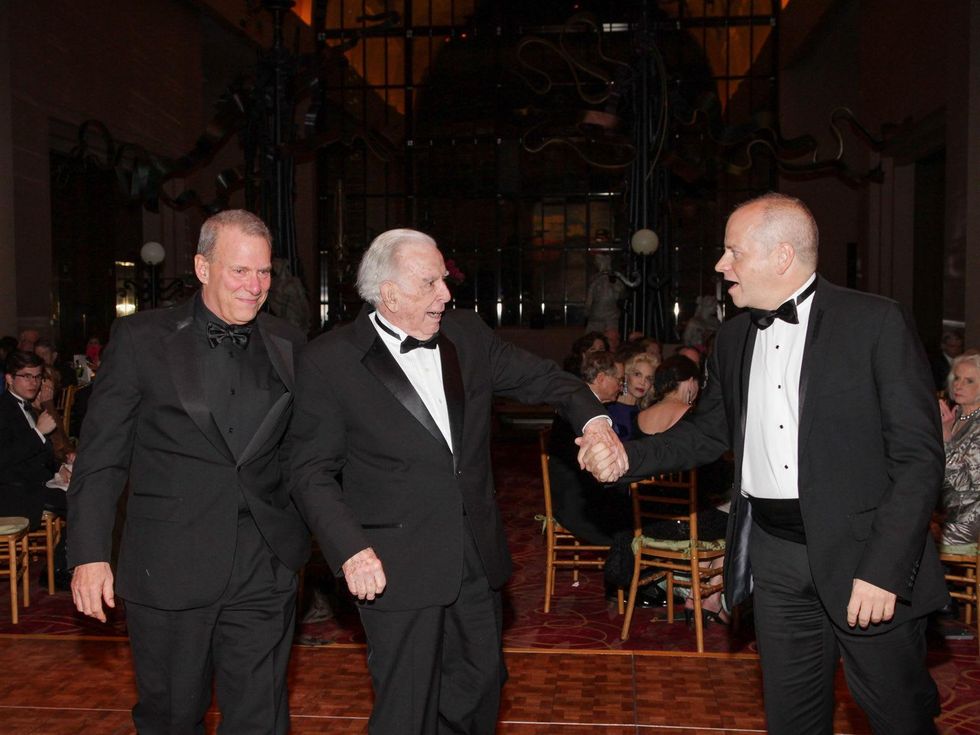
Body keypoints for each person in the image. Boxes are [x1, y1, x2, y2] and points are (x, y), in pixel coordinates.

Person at [579, 192, 948, 734]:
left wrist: (883, 568)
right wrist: (624, 457)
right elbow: (706, 434)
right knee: (792, 717)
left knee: (899, 716)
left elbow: (918, 459)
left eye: (733, 251)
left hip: (864, 557)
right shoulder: (732, 338)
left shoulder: (874, 322)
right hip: (775, 557)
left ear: (781, 256)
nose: (721, 264)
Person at [285, 228, 622, 735]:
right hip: (392, 566)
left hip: (474, 558)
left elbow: (550, 381)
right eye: (430, 283)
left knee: (480, 693)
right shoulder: (328, 361)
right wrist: (349, 549)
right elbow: (310, 471)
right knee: (407, 709)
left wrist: (594, 421)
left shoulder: (467, 335)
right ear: (389, 294)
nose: (445, 294)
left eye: (444, 280)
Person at [67, 209, 307, 734]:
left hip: (264, 565)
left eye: (263, 272)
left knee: (262, 720)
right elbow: (102, 456)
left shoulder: (289, 341)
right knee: (172, 718)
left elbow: (299, 454)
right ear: (202, 267)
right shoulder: (141, 338)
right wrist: (89, 553)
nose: (254, 286)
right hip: (169, 567)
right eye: (239, 271)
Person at [548, 351, 630, 547]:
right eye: (619, 380)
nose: (621, 386)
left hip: (582, 492)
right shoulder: (582, 414)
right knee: (638, 521)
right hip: (577, 502)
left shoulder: (586, 407)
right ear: (601, 378)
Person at [0, 351, 69, 528]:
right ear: (9, 378)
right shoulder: (3, 409)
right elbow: (5, 457)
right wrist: (38, 432)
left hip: (33, 486)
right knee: (82, 498)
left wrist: (58, 468)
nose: (34, 383)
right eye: (26, 376)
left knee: (86, 488)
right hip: (13, 494)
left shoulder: (27, 407)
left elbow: (38, 455)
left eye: (37, 377)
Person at [938, 352, 980, 547]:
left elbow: (965, 483)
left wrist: (946, 439)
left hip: (968, 519)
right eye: (957, 378)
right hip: (943, 511)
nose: (959, 385)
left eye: (969, 381)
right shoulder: (955, 416)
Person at [606, 352, 657, 440]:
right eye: (637, 374)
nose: (642, 382)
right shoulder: (608, 407)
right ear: (626, 376)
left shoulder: (647, 413)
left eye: (648, 378)